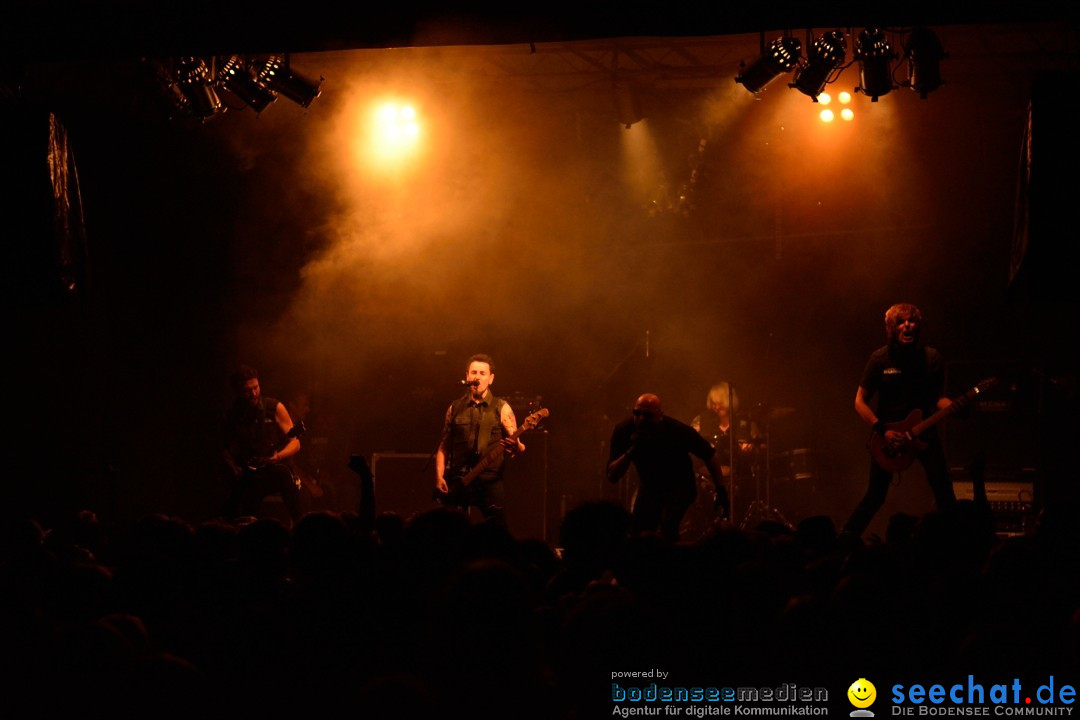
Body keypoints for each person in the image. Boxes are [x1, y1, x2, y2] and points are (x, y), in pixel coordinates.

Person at [841, 303, 960, 540]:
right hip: (889, 437)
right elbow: (859, 401)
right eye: (901, 322)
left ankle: (956, 544)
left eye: (912, 321)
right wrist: (881, 429)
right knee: (875, 495)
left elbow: (937, 399)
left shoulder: (932, 357)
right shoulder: (879, 359)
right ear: (892, 328)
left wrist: (955, 407)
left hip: (923, 433)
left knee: (944, 491)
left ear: (918, 326)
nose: (907, 325)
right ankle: (843, 540)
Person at [606, 393, 726, 542]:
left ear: (659, 415)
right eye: (637, 413)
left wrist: (721, 489)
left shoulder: (677, 431)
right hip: (649, 487)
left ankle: (670, 560)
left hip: (680, 485)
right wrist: (631, 452)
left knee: (668, 525)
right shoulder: (624, 430)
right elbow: (612, 475)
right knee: (639, 532)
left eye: (648, 415)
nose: (642, 419)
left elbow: (709, 454)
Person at [434, 354, 525, 527]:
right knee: (449, 531)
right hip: (459, 481)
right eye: (474, 372)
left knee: (498, 530)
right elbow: (443, 447)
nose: (477, 376)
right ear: (467, 376)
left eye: (483, 373)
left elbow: (519, 447)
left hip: (489, 481)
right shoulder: (455, 407)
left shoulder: (502, 408)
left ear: (491, 379)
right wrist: (439, 477)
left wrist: (518, 446)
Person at [219, 364, 304, 525]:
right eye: (247, 390)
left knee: (282, 473)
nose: (253, 393)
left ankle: (300, 524)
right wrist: (233, 468)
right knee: (247, 489)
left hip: (276, 471)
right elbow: (223, 448)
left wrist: (278, 456)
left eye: (256, 387)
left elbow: (295, 443)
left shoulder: (274, 407)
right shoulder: (232, 416)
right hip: (251, 476)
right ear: (237, 391)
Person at [691, 381, 760, 512]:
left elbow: (761, 447)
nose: (716, 407)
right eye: (713, 403)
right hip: (708, 476)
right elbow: (688, 441)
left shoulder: (744, 423)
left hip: (739, 475)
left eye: (719, 403)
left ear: (729, 401)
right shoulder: (702, 420)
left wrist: (751, 449)